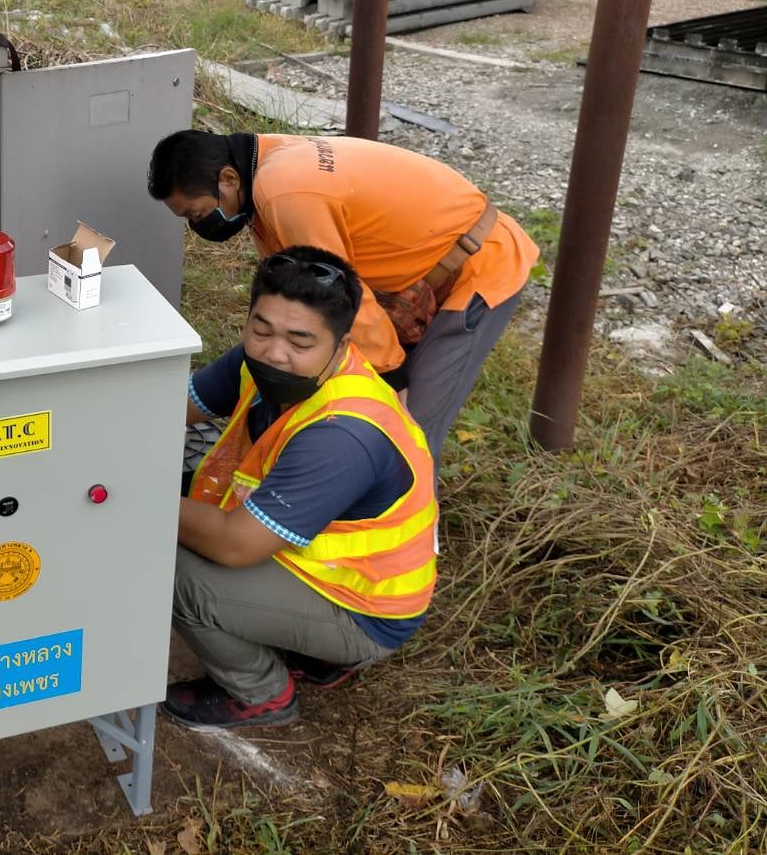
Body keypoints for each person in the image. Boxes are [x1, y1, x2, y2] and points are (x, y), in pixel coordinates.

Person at [148, 130, 538, 468]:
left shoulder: (286, 190)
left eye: (197, 214)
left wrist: (389, 377)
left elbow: (333, 293)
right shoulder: (265, 165)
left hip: (478, 264)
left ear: (229, 178)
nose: (197, 225)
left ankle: (407, 527)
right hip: (421, 267)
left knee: (405, 429)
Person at [164, 248, 436, 729]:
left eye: (300, 340)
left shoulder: (342, 434)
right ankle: (306, 645)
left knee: (171, 570)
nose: (275, 352)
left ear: (341, 344)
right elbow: (169, 408)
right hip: (315, 561)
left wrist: (136, 497)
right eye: (261, 329)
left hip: (363, 610)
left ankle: (261, 693)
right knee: (183, 514)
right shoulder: (260, 363)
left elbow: (232, 545)